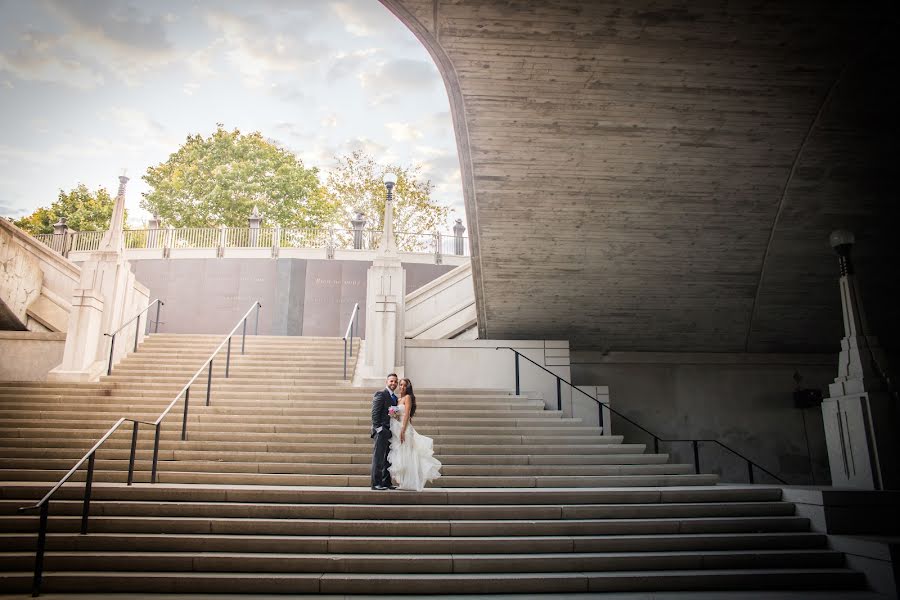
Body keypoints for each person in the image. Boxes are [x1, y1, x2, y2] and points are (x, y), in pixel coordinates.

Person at [388, 378, 442, 491]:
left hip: (405, 428)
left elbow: (407, 414)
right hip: (398, 428)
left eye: (404, 386)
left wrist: (403, 430)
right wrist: (393, 414)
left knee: (409, 453)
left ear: (407, 388)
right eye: (401, 385)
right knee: (401, 455)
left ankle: (411, 481)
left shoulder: (407, 398)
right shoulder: (398, 399)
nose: (402, 387)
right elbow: (398, 414)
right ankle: (403, 482)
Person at [370, 373, 399, 490]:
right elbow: (375, 413)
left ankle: (386, 482)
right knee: (378, 457)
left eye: (395, 382)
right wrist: (379, 429)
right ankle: (376, 483)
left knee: (387, 458)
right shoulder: (381, 394)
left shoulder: (395, 398)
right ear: (387, 382)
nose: (394, 383)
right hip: (381, 431)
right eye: (391, 381)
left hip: (390, 431)